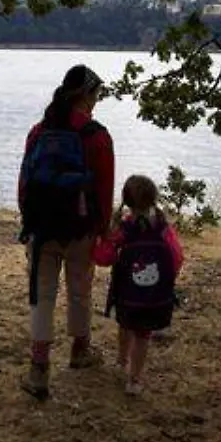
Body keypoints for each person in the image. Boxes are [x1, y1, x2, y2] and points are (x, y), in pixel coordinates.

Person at [16, 64, 115, 399]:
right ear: (86, 95)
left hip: (42, 229)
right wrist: (103, 229)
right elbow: (104, 188)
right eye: (97, 95)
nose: (97, 101)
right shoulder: (97, 135)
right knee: (79, 292)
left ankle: (39, 369)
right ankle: (79, 351)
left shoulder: (38, 131)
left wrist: (27, 221)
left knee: (42, 297)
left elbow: (25, 181)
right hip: (80, 229)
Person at [95, 174, 183, 396]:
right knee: (143, 335)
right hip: (153, 295)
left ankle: (121, 360)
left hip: (126, 294)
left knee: (124, 325)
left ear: (126, 201)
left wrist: (103, 238)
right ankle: (134, 380)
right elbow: (177, 257)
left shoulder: (125, 229)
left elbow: (103, 258)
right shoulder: (163, 228)